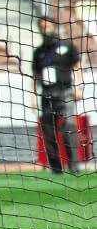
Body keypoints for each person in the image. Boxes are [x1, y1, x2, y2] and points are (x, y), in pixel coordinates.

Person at [32, 15, 84, 173]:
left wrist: (79, 86)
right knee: (49, 131)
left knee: (69, 125)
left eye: (47, 26)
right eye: (42, 27)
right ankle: (56, 168)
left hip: (65, 91)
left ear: (54, 27)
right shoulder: (39, 52)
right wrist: (33, 95)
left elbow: (77, 66)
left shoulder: (67, 46)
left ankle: (74, 166)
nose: (45, 30)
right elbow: (35, 75)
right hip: (47, 94)